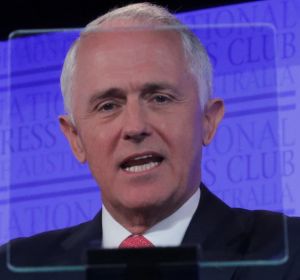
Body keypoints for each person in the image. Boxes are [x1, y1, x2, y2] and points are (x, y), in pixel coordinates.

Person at [0, 2, 299, 280]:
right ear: (75, 138)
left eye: (159, 98)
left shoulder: (289, 252)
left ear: (208, 120)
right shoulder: (15, 268)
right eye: (108, 106)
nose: (135, 126)